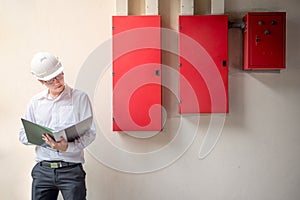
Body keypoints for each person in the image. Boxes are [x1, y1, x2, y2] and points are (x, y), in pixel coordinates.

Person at [19, 52, 96, 200]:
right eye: (51, 80)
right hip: (43, 171)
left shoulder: (80, 98)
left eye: (59, 76)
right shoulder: (35, 102)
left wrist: (66, 147)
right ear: (41, 81)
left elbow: (90, 133)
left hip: (71, 171)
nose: (57, 82)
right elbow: (22, 135)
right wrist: (39, 138)